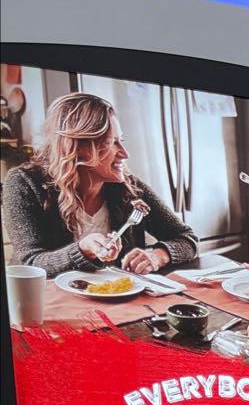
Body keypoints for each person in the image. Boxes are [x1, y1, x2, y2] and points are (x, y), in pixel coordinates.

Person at [2, 92, 198, 275]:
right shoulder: (24, 183)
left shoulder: (129, 187)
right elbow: (30, 263)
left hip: (121, 302)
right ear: (77, 147)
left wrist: (157, 256)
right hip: (49, 305)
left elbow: (187, 238)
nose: (125, 153)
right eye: (111, 142)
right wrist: (81, 250)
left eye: (120, 140)